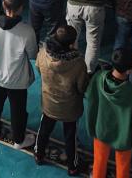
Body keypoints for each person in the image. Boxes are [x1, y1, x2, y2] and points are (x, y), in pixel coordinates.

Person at [0, 0, 39, 149]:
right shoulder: (27, 31)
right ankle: (18, 140)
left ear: (4, 4)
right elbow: (32, 54)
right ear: (21, 8)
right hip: (16, 78)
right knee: (18, 111)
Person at [35, 25, 90, 176]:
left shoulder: (42, 53)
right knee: (70, 136)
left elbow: (38, 68)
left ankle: (39, 155)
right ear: (72, 44)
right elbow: (82, 87)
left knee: (44, 129)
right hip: (69, 107)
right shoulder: (78, 63)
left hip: (49, 102)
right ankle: (72, 166)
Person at [86, 48, 132, 178]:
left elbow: (90, 96)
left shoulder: (98, 77)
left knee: (99, 160)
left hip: (101, 129)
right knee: (123, 166)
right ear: (129, 70)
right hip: (123, 136)